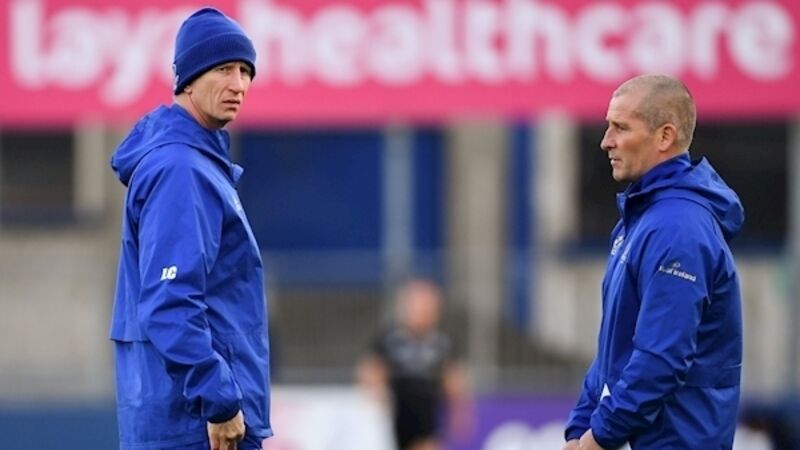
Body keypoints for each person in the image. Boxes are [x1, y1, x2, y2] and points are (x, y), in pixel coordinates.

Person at [109, 8, 271, 450]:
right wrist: (218, 399)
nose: (239, 84)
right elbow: (170, 301)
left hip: (186, 417)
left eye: (245, 71)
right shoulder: (180, 169)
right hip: (194, 422)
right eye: (223, 69)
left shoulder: (194, 162)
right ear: (189, 79)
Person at [563, 74, 745, 450]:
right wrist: (580, 425)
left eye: (621, 127)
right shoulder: (641, 219)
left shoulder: (678, 229)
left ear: (664, 137)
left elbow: (661, 357)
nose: (606, 141)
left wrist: (602, 435)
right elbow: (614, 349)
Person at [357, 279, 472, 450]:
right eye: (419, 305)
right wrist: (377, 390)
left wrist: (460, 411)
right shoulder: (390, 339)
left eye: (429, 306)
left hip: (425, 415)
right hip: (396, 413)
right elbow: (370, 370)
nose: (424, 311)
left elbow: (453, 379)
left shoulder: (443, 342)